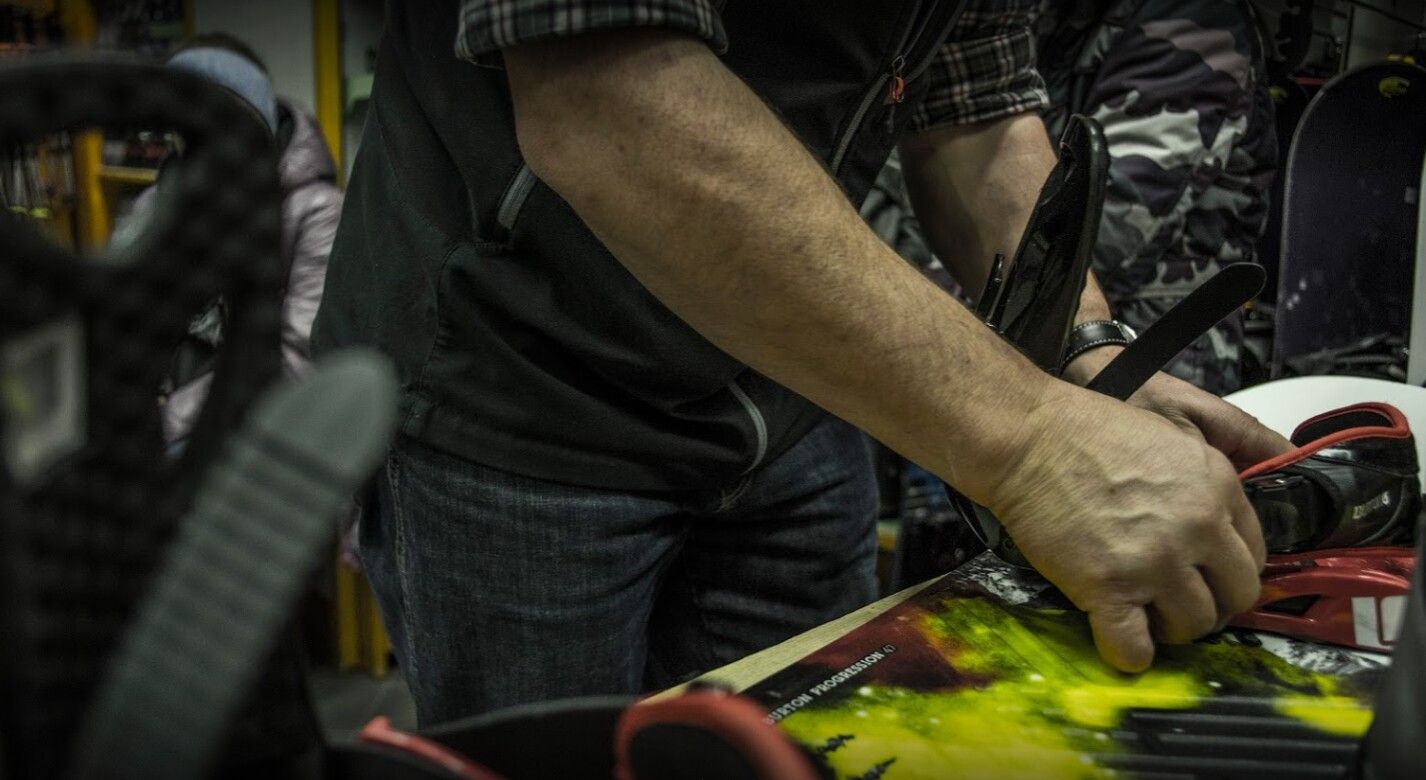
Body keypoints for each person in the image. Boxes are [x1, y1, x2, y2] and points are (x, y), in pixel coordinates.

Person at [314, 0, 1289, 726]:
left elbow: (975, 110)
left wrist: (1084, 349)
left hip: (787, 388)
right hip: (522, 391)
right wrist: (1036, 445)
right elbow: (604, 97)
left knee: (811, 744)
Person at [1036, 0, 1278, 395]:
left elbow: (1111, 229)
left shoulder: (1196, 19)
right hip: (1067, 344)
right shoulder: (1067, 18)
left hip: (1151, 360)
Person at [118, 34, 343, 445]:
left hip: (259, 429)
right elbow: (123, 326)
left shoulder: (318, 212)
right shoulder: (156, 204)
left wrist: (165, 424)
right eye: (181, 134)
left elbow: (296, 360)